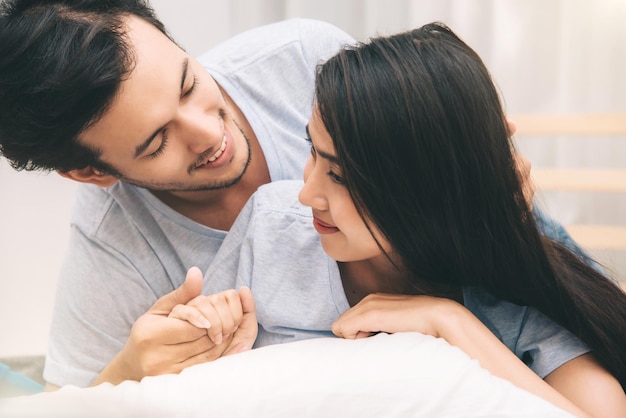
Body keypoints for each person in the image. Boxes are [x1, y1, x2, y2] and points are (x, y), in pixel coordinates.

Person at [0, 0, 583, 390]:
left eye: (188, 82)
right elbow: (71, 403)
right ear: (92, 172)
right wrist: (130, 370)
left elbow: (427, 151)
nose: (210, 134)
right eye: (157, 142)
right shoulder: (113, 251)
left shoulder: (303, 58)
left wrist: (489, 178)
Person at [195, 22, 626, 417]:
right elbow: (191, 371)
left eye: (340, 176)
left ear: (429, 191)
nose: (308, 193)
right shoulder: (270, 224)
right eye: (313, 151)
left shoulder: (506, 295)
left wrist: (449, 322)